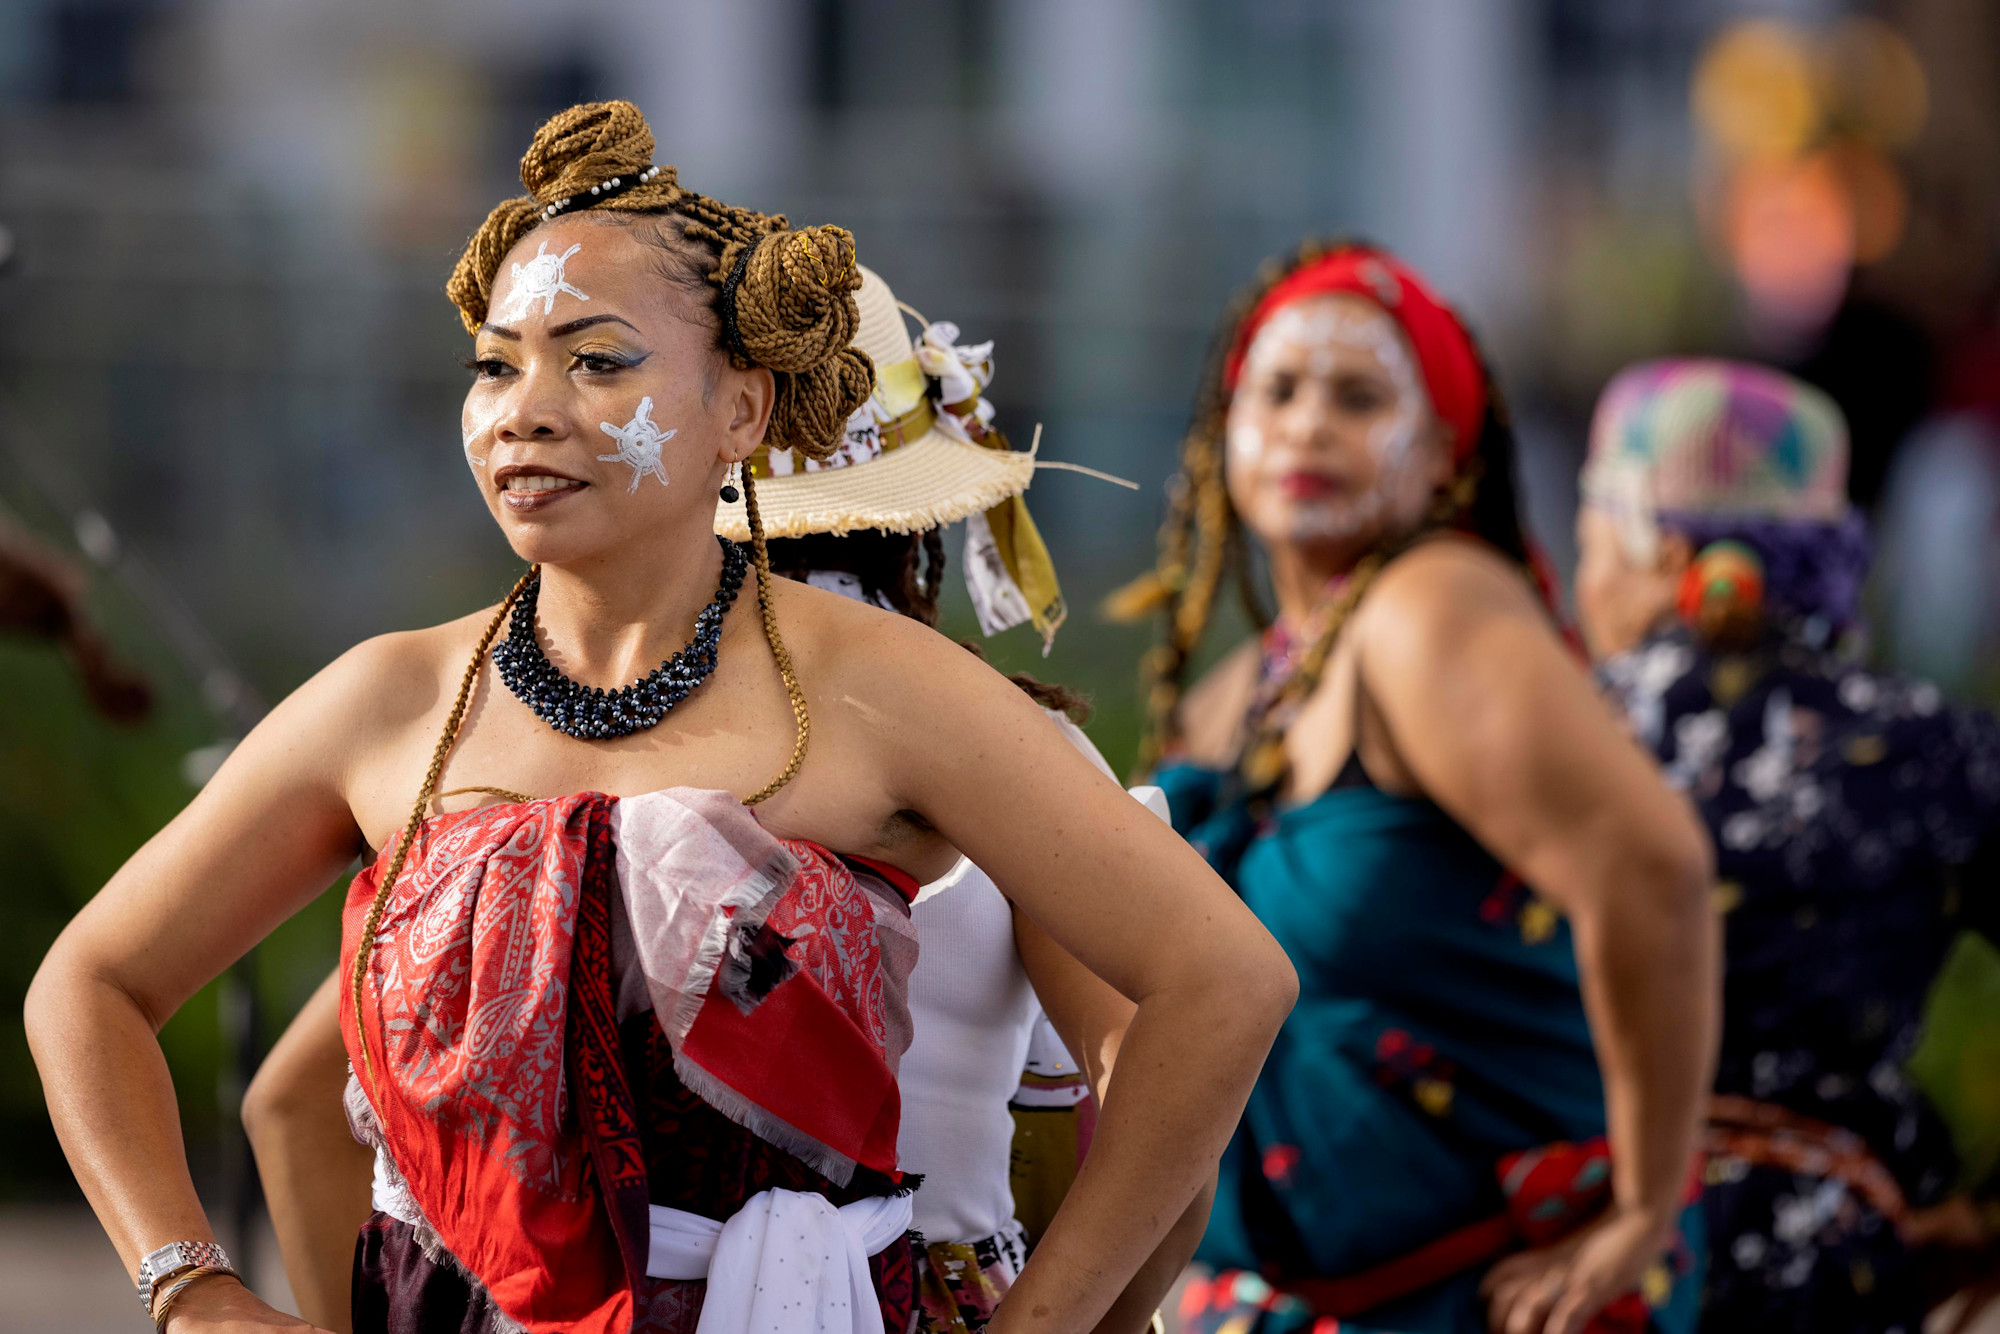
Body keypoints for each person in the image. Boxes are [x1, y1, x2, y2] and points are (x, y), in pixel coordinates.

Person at [25, 101, 1295, 1334]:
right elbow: (91, 983)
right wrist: (193, 1290)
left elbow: (1221, 982)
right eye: (494, 363)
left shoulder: (885, 688)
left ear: (741, 410)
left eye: (597, 359)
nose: (525, 406)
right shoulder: (392, 696)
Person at [240, 264, 1203, 1334]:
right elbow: (1170, 1109)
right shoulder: (1016, 751)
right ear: (912, 520)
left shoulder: (562, 764)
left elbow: (290, 1105)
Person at [1111, 240, 1718, 1334]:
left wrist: (1642, 1201)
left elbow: (1650, 868)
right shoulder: (1236, 692)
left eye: (1356, 396)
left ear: (1443, 456)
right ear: (1223, 433)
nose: (1306, 424)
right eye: (1278, 390)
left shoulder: (1426, 609)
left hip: (1494, 1294)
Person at [1577, 358, 2000, 1333]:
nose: (1583, 582)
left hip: (1569, 1254)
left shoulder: (1547, 741)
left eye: (1591, 544)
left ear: (1655, 550)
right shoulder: (1927, 748)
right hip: (1836, 1262)